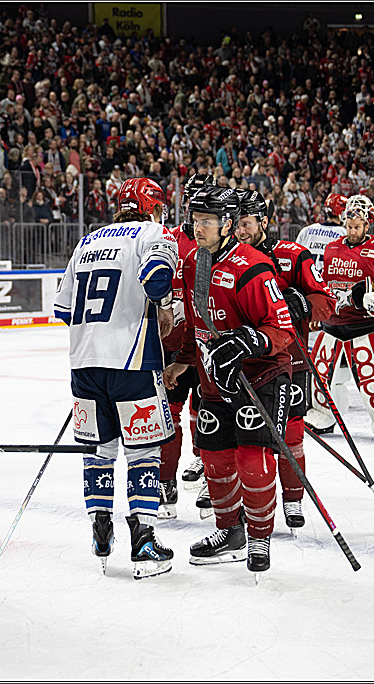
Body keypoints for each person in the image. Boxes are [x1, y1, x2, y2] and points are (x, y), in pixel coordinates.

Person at [164, 186, 295, 574]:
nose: (197, 227)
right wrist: (182, 362)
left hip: (262, 376)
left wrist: (249, 340)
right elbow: (195, 321)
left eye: (206, 221)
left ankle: (259, 537)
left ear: (227, 225)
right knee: (216, 460)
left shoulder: (252, 266)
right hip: (211, 377)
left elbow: (282, 329)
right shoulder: (191, 262)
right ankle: (230, 532)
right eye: (195, 219)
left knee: (252, 459)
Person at [52, 177, 178, 580]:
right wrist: (164, 304)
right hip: (133, 360)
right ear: (152, 206)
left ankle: (101, 529)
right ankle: (143, 539)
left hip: (84, 364)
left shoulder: (88, 241)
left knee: (99, 450)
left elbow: (62, 307)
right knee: (143, 452)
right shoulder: (152, 232)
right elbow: (158, 277)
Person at [234, 188, 335, 529]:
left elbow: (325, 302)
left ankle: (293, 499)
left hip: (290, 362)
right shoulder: (226, 259)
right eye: (235, 223)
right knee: (245, 441)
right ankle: (244, 503)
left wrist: (302, 304)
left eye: (246, 223)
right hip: (246, 364)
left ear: (264, 221)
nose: (240, 231)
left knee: (290, 436)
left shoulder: (292, 254)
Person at [308, 194, 374, 440]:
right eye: (348, 225)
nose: (352, 230)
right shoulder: (332, 247)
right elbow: (322, 283)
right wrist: (318, 309)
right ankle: (321, 416)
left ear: (368, 224)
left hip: (368, 325)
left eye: (357, 226)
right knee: (322, 373)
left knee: (373, 375)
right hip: (333, 324)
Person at [159, 173, 215, 518]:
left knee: (209, 414)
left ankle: (211, 472)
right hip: (173, 346)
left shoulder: (220, 244)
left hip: (210, 346)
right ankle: (166, 480)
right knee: (169, 417)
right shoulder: (167, 240)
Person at [295, 193, 347, 267]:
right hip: (327, 277)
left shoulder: (306, 230)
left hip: (305, 276)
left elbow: (295, 256)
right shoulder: (343, 233)